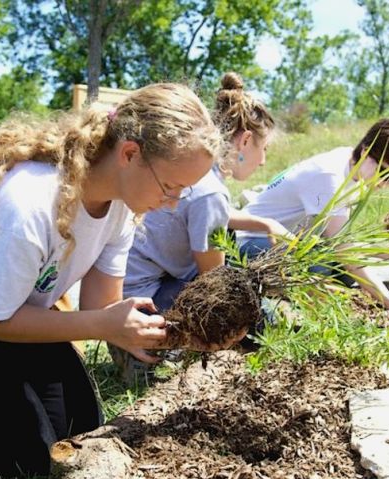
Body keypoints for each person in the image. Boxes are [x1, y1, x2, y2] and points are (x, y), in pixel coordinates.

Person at [0, 83, 228, 479]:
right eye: (171, 187)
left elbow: (99, 311)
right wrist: (106, 326)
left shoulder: (119, 207)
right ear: (129, 154)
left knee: (80, 428)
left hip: (8, 320)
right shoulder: (26, 201)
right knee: (21, 461)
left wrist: (169, 334)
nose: (172, 203)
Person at [110, 72, 283, 382]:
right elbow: (212, 286)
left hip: (121, 297)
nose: (263, 161)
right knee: (256, 312)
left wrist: (263, 221)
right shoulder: (210, 191)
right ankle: (165, 353)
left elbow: (209, 213)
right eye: (264, 148)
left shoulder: (192, 175)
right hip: (144, 308)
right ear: (244, 140)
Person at [236, 118, 389, 314]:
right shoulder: (330, 177)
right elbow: (345, 252)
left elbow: (343, 243)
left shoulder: (349, 164)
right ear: (366, 152)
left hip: (289, 239)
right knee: (319, 266)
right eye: (386, 173)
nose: (386, 182)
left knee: (342, 273)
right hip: (250, 241)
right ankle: (294, 310)